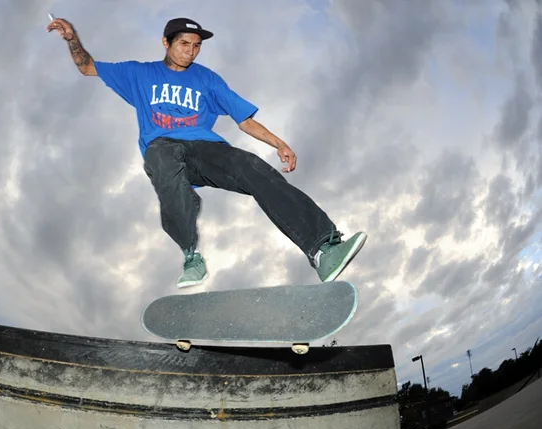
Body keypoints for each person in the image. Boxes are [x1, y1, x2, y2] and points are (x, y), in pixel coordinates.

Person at [47, 16, 367, 288]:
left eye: (197, 46)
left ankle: (323, 249)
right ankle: (191, 254)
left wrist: (279, 144)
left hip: (204, 151)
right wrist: (72, 39)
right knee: (160, 157)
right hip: (165, 149)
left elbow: (244, 120)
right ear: (166, 42)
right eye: (185, 44)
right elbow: (87, 66)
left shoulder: (208, 79)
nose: (191, 52)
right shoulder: (137, 74)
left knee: (252, 167)